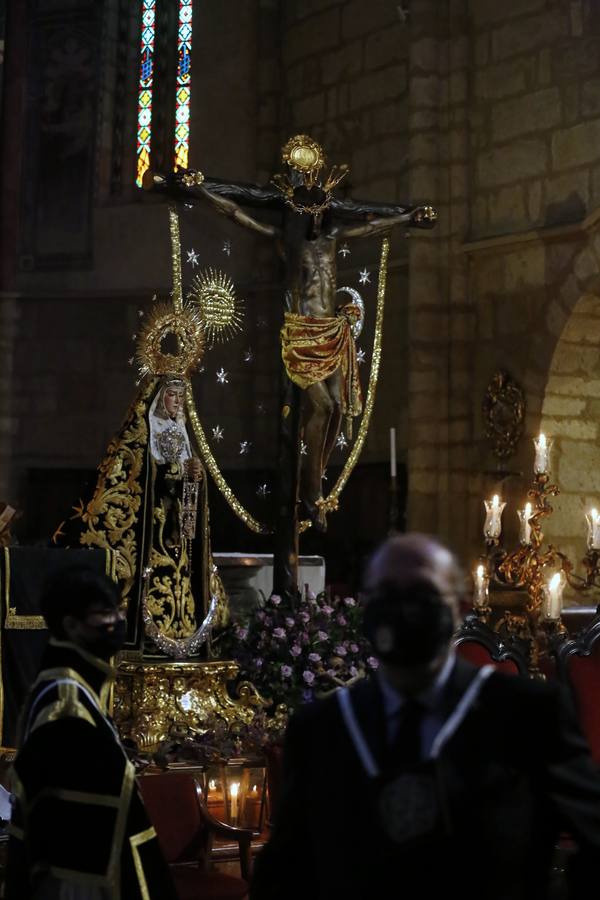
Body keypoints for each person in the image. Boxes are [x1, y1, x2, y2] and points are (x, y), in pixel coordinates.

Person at [250, 533, 600, 900]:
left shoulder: (527, 715)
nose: (405, 610)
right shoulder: (321, 730)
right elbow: (285, 873)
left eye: (423, 592)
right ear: (365, 608)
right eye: (388, 592)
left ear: (457, 609)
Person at [157, 135, 436, 529]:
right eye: (310, 211)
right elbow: (237, 210)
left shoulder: (334, 238)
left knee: (338, 408)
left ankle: (313, 478)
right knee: (320, 407)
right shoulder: (286, 243)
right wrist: (200, 189)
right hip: (302, 334)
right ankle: (309, 495)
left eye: (322, 210)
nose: (317, 217)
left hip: (332, 332)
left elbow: (372, 223)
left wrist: (409, 217)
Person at [5, 566, 178, 900]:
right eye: (103, 614)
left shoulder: (73, 685)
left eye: (118, 611)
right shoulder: (65, 703)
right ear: (70, 625)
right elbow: (79, 841)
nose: (116, 622)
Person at [54, 375, 227, 658]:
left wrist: (196, 475)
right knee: (153, 574)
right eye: (172, 394)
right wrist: (177, 472)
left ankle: (181, 632)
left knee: (181, 571)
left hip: (179, 521)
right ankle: (147, 638)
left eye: (181, 396)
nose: (177, 401)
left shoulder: (180, 429)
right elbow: (140, 473)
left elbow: (188, 471)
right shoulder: (144, 430)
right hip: (152, 522)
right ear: (160, 397)